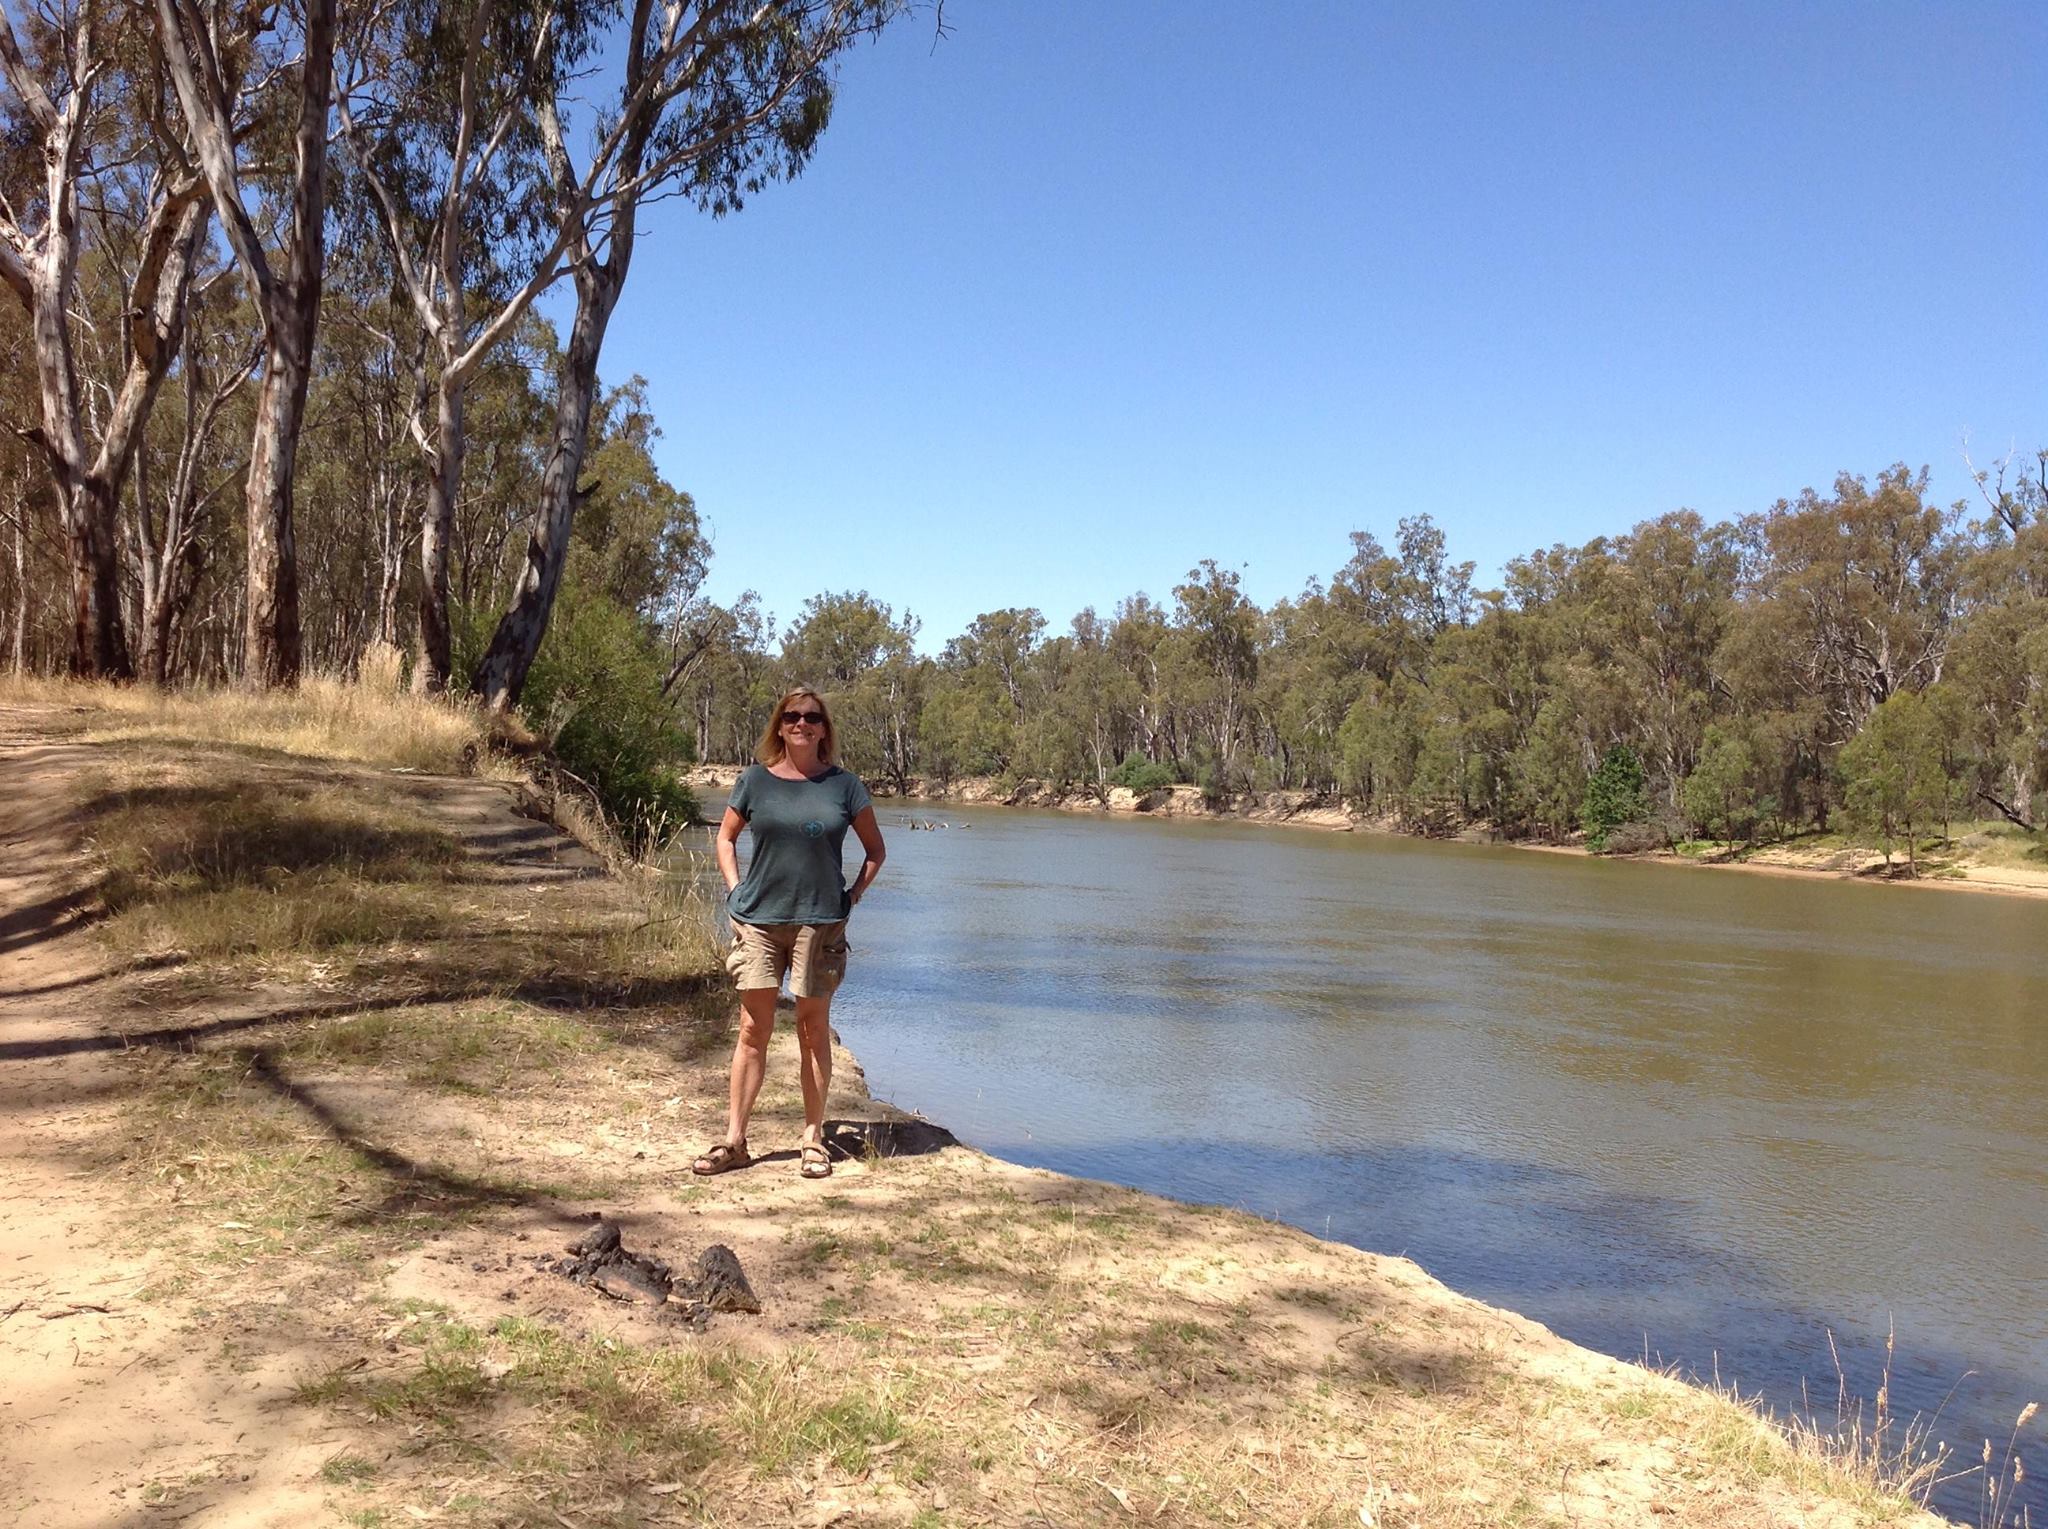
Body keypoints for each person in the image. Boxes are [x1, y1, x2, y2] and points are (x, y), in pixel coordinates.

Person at [693, 688, 886, 1180]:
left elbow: (875, 852)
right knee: (752, 1030)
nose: (802, 724)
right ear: (780, 726)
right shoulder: (755, 781)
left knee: (811, 1029)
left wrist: (851, 897)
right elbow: (725, 837)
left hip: (818, 924)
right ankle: (735, 1141)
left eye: (812, 718)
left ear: (824, 729)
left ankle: (813, 1140)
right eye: (792, 716)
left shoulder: (845, 786)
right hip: (758, 919)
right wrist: (735, 892)